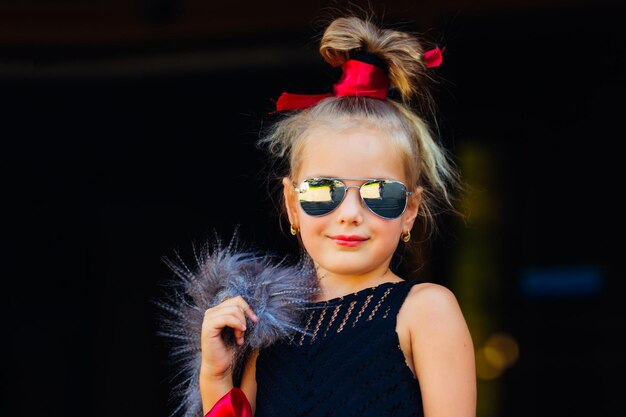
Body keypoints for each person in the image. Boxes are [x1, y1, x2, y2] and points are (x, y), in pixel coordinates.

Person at [172, 14, 476, 417]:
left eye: (380, 193)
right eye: (322, 190)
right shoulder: (269, 324)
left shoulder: (426, 310)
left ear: (410, 211)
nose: (350, 214)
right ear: (292, 204)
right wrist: (215, 375)